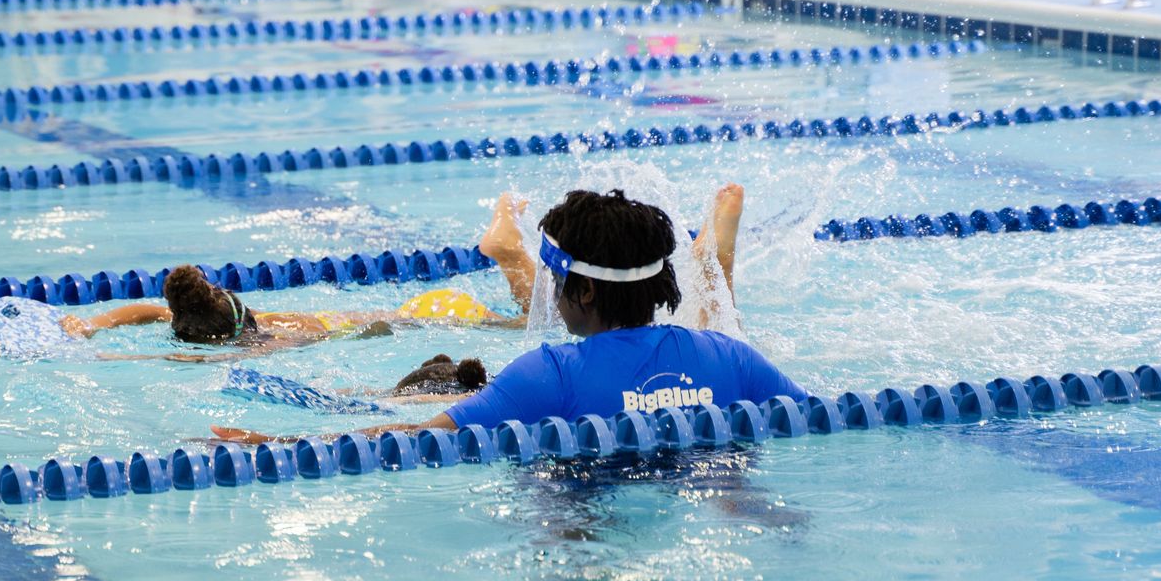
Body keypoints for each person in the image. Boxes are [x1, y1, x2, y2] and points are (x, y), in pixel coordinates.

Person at [212, 183, 805, 441]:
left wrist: (271, 443)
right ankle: (714, 269)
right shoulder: (732, 358)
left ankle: (715, 265)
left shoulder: (548, 373)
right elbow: (823, 417)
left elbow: (417, 437)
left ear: (586, 292)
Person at [57, 194, 537, 360]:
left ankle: (509, 252)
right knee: (523, 324)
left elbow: (163, 340)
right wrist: (94, 326)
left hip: (430, 318)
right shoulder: (259, 322)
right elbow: (151, 312)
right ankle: (509, 250)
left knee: (524, 325)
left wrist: (99, 340)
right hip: (424, 310)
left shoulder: (260, 345)